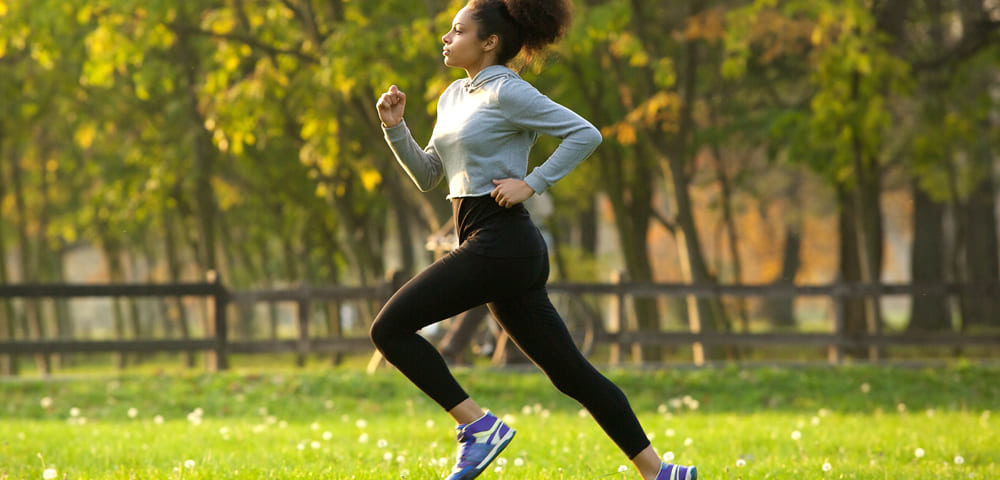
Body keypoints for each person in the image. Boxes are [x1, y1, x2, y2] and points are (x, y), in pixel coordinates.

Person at [370, 1, 697, 479]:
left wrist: (533, 182)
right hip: (490, 241)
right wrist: (395, 129)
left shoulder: (509, 92)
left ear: (489, 43)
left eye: (457, 30)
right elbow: (430, 175)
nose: (446, 37)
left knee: (389, 329)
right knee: (571, 373)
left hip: (502, 240)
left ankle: (478, 427)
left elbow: (584, 134)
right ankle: (659, 473)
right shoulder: (451, 97)